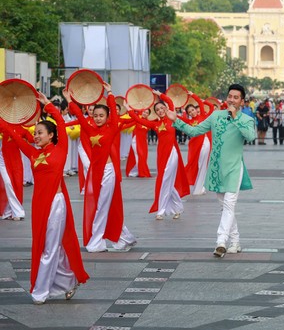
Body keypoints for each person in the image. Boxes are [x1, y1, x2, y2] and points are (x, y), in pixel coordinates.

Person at [0, 92, 89, 304]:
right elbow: (11, 132)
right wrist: (4, 114)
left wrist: (48, 104)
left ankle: (40, 292)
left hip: (56, 206)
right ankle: (68, 281)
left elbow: (59, 120)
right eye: (35, 133)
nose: (36, 136)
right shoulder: (33, 153)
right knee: (50, 247)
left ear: (51, 135)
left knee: (49, 248)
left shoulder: (60, 150)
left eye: (40, 133)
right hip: (39, 206)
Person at [169, 84, 256, 257]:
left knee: (229, 204)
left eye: (236, 97)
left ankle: (220, 241)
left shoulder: (246, 120)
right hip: (216, 168)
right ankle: (236, 240)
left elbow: (251, 136)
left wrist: (235, 117)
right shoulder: (215, 116)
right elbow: (194, 131)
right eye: (230, 96)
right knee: (225, 206)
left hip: (233, 168)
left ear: (242, 101)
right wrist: (175, 120)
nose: (232, 99)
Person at [65, 85, 137, 252]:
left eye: (101, 116)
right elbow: (78, 116)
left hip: (108, 172)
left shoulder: (112, 128)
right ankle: (124, 236)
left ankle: (96, 241)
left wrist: (110, 93)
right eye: (95, 115)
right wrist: (69, 100)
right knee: (104, 205)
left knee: (102, 206)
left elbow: (112, 108)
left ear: (107, 117)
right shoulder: (90, 129)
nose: (97, 118)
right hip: (95, 172)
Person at [129, 91, 189, 220]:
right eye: (157, 110)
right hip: (161, 154)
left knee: (164, 180)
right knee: (168, 181)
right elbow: (138, 119)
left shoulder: (171, 118)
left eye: (162, 108)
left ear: (166, 108)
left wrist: (159, 94)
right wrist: (129, 109)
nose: (160, 110)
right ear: (155, 113)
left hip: (172, 153)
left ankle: (160, 211)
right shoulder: (155, 124)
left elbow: (170, 101)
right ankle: (178, 208)